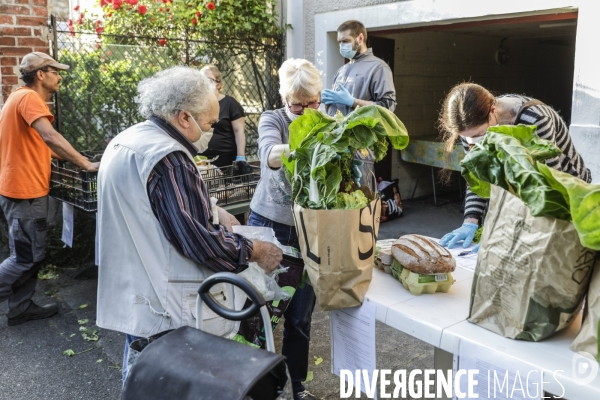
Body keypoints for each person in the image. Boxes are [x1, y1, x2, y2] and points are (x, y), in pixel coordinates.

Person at [95, 66, 283, 383]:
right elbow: (200, 242)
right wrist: (255, 250)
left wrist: (212, 209)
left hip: (136, 294)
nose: (210, 129)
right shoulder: (170, 157)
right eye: (209, 123)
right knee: (171, 384)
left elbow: (151, 204)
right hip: (164, 307)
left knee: (142, 379)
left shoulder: (130, 139)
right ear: (184, 117)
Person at [0, 52, 99, 326]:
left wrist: (75, 157)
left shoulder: (16, 97)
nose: (59, 76)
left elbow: (38, 145)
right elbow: (49, 136)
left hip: (18, 189)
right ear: (40, 74)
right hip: (25, 192)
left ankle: (20, 308)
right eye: (55, 70)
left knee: (27, 254)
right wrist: (86, 164)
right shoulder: (30, 98)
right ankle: (19, 306)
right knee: (24, 257)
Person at [438, 82, 592, 251]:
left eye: (478, 135)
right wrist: (470, 221)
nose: (472, 142)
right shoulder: (468, 129)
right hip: (519, 190)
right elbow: (479, 179)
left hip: (565, 191)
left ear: (493, 112)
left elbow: (546, 187)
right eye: (466, 138)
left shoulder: (535, 120)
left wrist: (507, 231)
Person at [248, 58, 322, 400]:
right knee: (261, 314)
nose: (306, 111)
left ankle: (298, 387)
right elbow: (268, 155)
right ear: (284, 99)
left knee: (300, 318)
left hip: (309, 230)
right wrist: (304, 146)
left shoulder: (326, 122)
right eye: (298, 104)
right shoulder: (272, 119)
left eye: (313, 102)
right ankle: (258, 386)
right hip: (270, 227)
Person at [321, 19, 396, 187]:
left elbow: (388, 108)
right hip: (337, 148)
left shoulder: (378, 67)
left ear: (360, 38)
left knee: (362, 201)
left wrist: (352, 101)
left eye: (345, 41)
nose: (341, 46)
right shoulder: (341, 71)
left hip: (361, 150)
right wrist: (327, 104)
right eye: (339, 42)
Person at [198, 64, 247, 168]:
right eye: (201, 80)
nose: (204, 83)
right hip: (200, 160)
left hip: (226, 160)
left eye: (208, 80)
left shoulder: (230, 103)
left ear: (219, 84)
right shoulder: (196, 105)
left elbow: (239, 131)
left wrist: (241, 157)